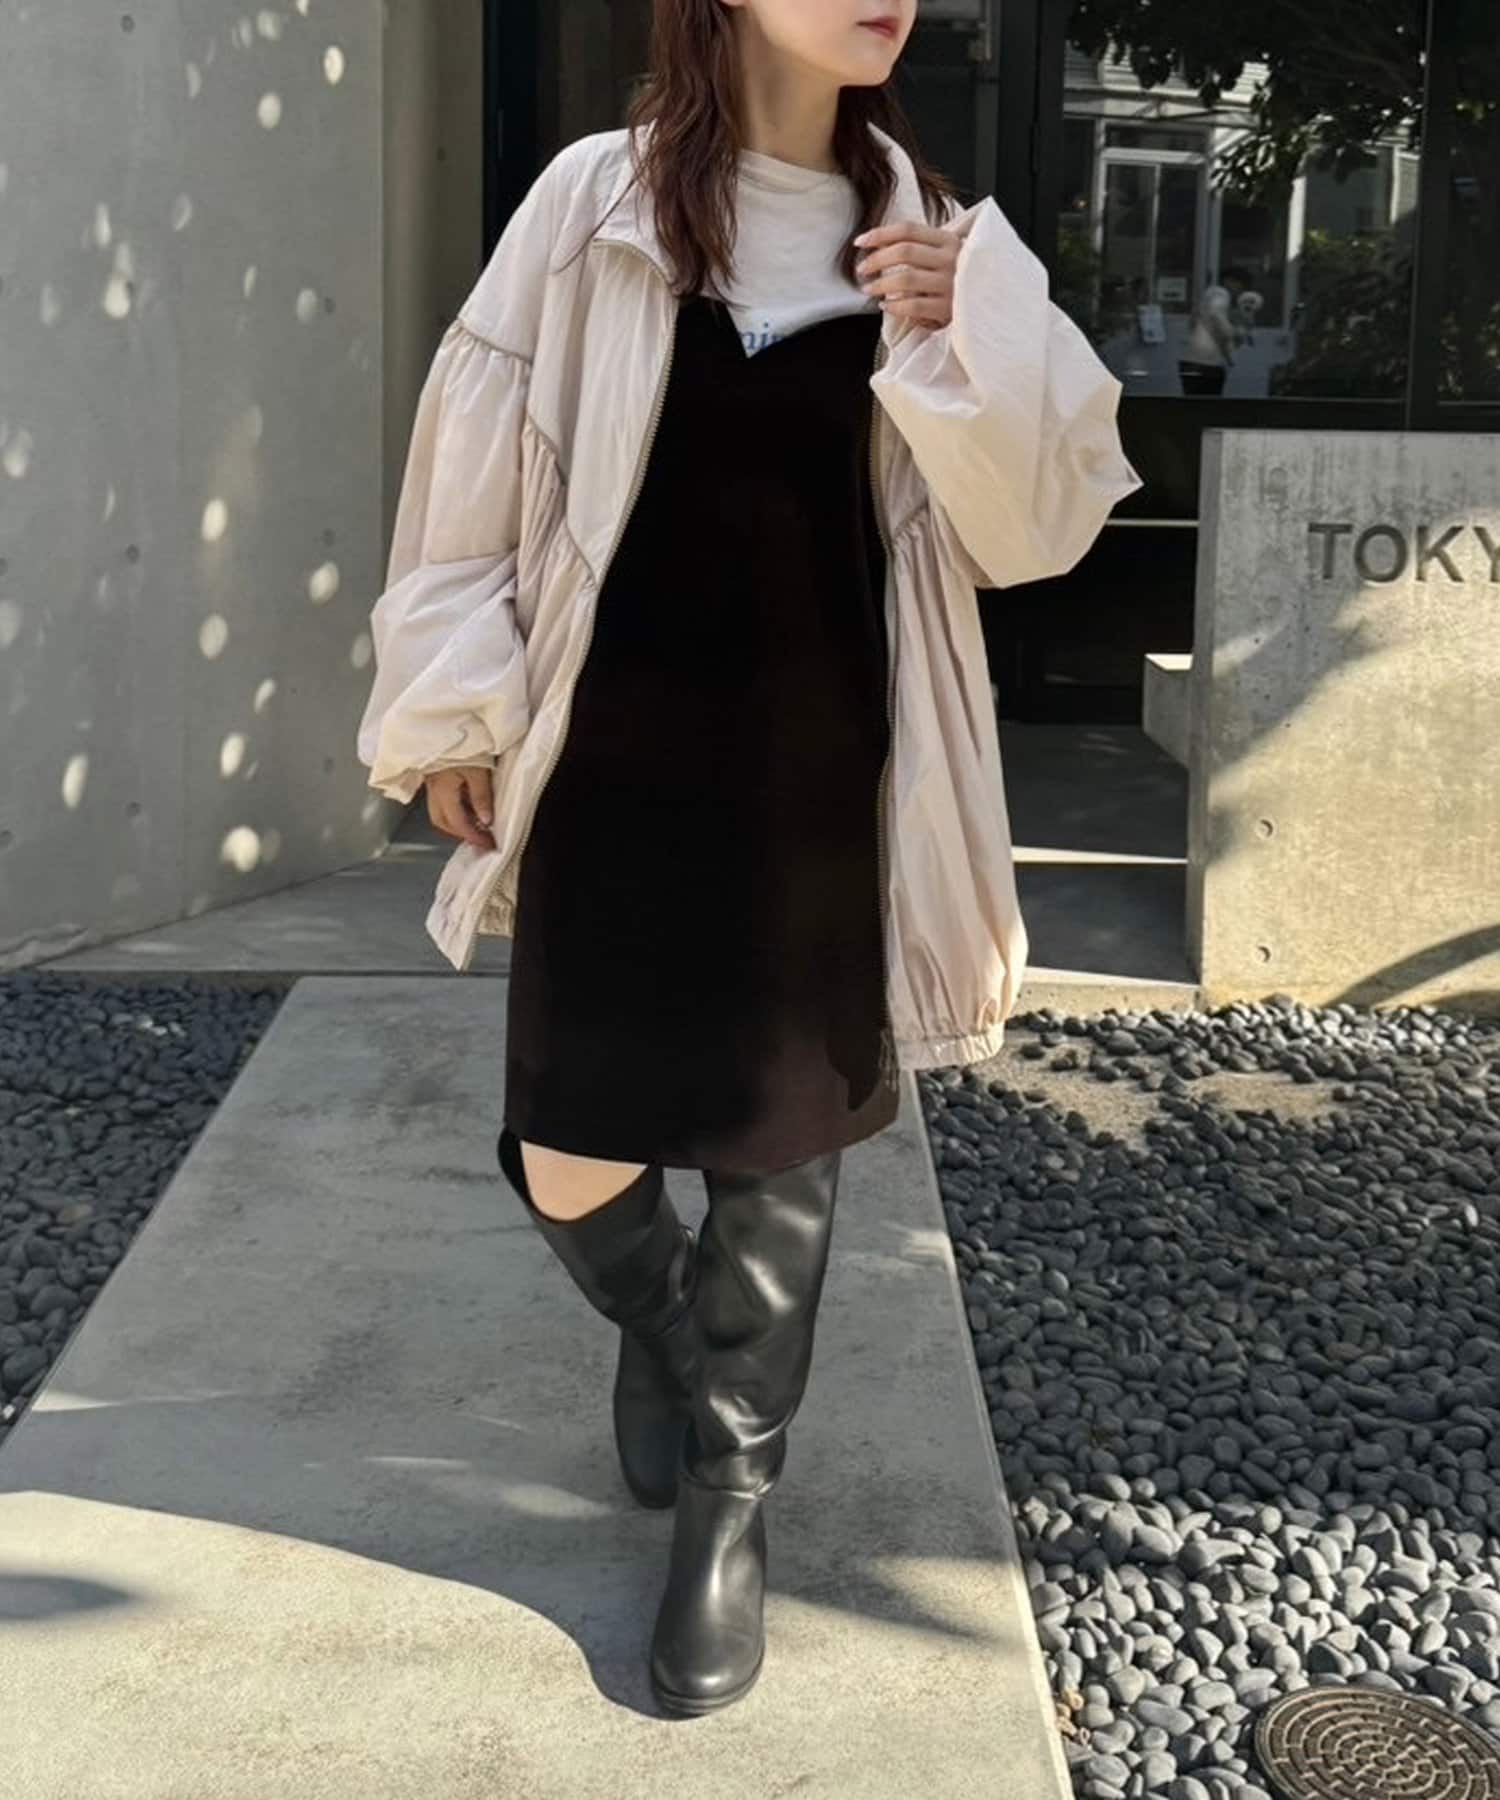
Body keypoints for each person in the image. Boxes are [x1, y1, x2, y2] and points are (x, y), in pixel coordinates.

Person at [356, 0, 1140, 1719]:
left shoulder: (936, 240)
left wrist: (981, 334)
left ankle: (733, 1498)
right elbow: (467, 486)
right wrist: (455, 716)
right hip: (612, 771)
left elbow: (1038, 533)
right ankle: (665, 1330)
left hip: (827, 783)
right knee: (569, 1152)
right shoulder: (593, 201)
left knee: (782, 1161)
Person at [1178, 265, 1251, 395]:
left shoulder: (1208, 296)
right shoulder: (1220, 293)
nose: (1239, 291)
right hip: (1206, 363)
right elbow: (1216, 314)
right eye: (1239, 286)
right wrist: (1232, 332)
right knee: (1208, 401)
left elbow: (1193, 322)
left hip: (1193, 360)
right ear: (1229, 281)